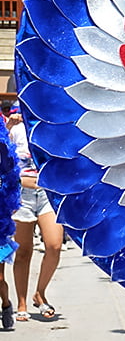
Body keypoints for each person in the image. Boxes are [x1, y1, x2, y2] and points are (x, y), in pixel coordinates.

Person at [7, 106, 63, 322]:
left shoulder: (49, 122)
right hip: (21, 194)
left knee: (54, 245)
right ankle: (21, 302)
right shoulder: (14, 125)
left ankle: (40, 293)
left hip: (48, 193)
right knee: (23, 252)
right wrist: (8, 126)